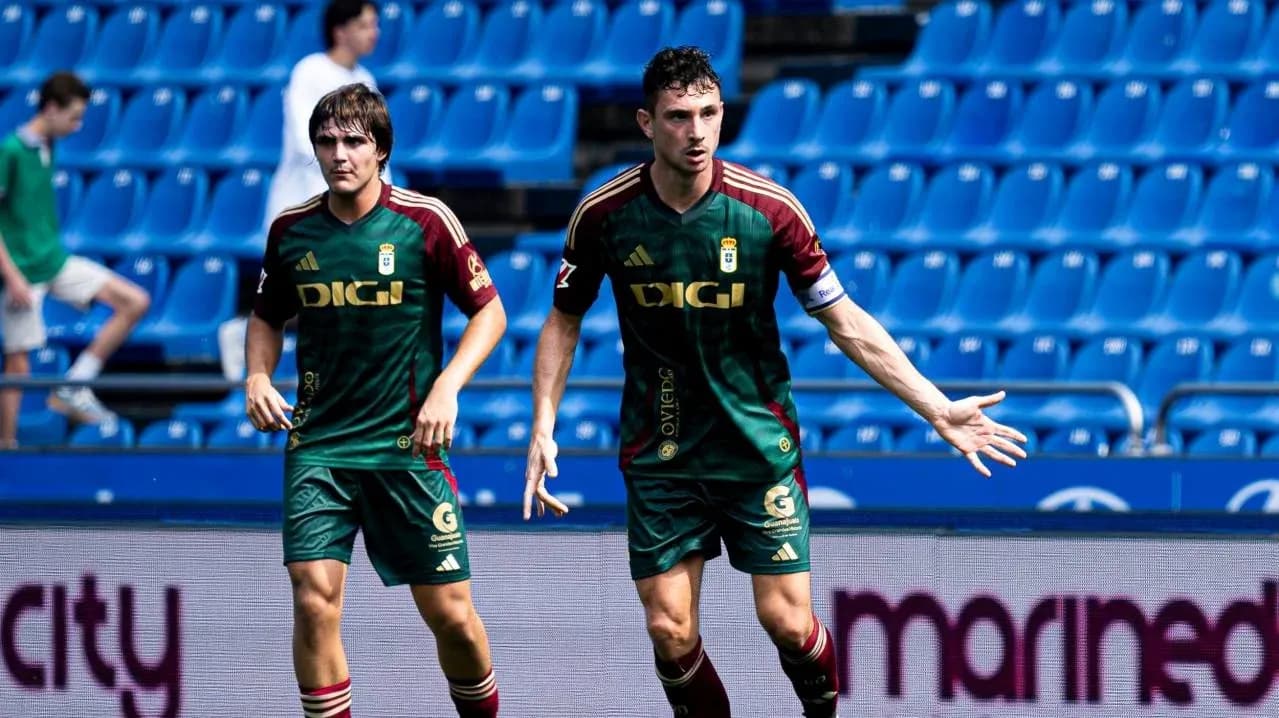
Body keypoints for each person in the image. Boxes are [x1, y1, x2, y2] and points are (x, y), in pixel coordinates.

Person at [523, 47, 1029, 718]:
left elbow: (844, 322)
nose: (696, 132)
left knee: (788, 624)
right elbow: (562, 321)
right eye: (678, 117)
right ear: (647, 123)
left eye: (707, 114)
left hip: (756, 447)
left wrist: (934, 408)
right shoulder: (604, 215)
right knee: (669, 631)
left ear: (722, 114)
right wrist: (542, 424)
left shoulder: (769, 211)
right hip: (662, 450)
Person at [246, 84, 505, 718]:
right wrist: (257, 376)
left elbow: (490, 313)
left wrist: (446, 387)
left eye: (355, 141)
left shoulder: (426, 221)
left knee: (452, 617)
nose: (340, 154)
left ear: (381, 150)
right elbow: (266, 316)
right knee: (312, 599)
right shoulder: (291, 231)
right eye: (328, 142)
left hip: (408, 450)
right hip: (320, 447)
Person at [0, 71, 150, 448]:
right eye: (74, 116)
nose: (78, 124)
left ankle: (73, 385)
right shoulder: (11, 151)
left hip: (54, 260)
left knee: (133, 302)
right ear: (51, 108)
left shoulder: (48, 144)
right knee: (18, 364)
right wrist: (13, 277)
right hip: (22, 271)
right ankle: (6, 446)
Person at [263, 0, 382, 227]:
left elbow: (374, 146)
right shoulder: (309, 71)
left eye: (375, 25)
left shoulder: (367, 80)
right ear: (340, 32)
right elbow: (304, 141)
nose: (374, 33)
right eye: (364, 26)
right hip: (302, 201)